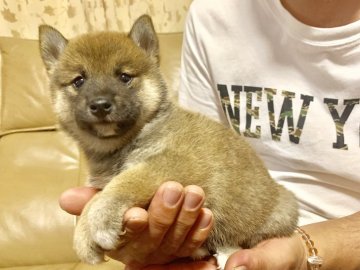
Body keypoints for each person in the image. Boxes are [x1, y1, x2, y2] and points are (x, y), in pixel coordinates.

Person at [60, 0, 360, 269]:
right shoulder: (212, 13)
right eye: (78, 81)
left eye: (124, 78)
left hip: (291, 230)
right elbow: (199, 157)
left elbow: (170, 163)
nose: (99, 100)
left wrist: (306, 249)